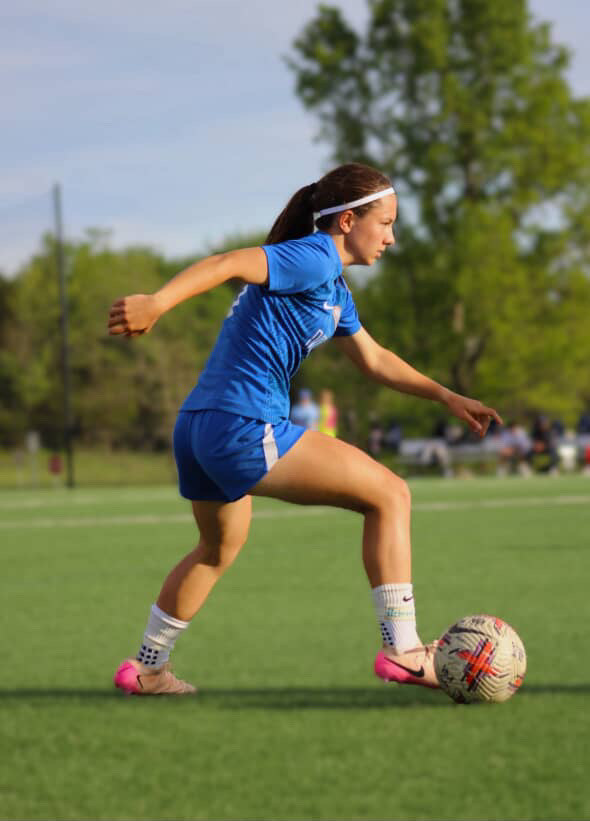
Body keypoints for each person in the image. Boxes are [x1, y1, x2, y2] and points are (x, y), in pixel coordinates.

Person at [108, 162, 502, 696]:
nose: (391, 236)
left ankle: (148, 668)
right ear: (346, 222)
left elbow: (374, 358)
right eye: (384, 222)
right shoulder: (314, 255)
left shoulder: (334, 289)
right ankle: (406, 651)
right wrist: (158, 302)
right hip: (243, 424)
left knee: (217, 548)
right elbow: (229, 262)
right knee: (390, 494)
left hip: (198, 427)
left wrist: (445, 395)